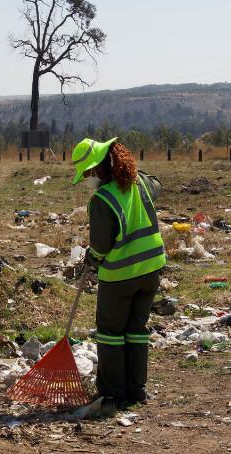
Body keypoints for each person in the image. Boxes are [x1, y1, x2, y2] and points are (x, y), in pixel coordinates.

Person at [72, 137, 166, 412]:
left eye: (89, 172)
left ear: (101, 168)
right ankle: (136, 390)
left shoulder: (103, 199)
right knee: (136, 330)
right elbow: (157, 182)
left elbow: (101, 246)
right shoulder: (142, 184)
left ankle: (113, 394)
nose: (88, 179)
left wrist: (92, 257)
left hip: (121, 275)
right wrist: (133, 172)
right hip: (151, 269)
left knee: (111, 333)